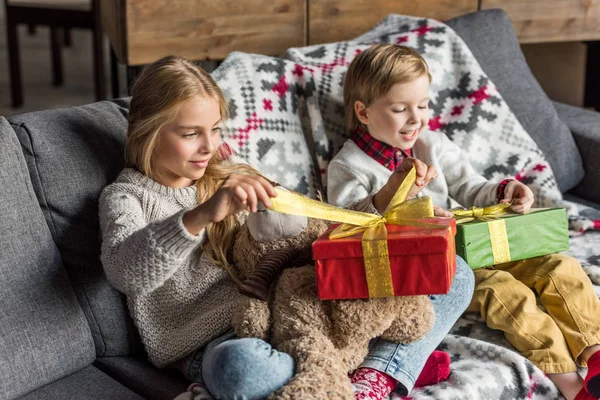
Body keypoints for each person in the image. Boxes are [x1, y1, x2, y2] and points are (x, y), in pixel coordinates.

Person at [99, 55, 457, 400]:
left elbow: (316, 221)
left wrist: (390, 190)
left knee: (457, 276)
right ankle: (360, 368)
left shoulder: (228, 171)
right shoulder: (126, 197)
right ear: (148, 131)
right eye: (192, 133)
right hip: (220, 342)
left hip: (293, 312)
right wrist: (203, 214)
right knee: (239, 367)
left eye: (215, 130)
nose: (210, 146)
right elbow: (125, 271)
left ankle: (370, 379)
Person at [328, 43, 600, 400]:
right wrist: (395, 194)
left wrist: (504, 190)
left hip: (476, 241)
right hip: (441, 268)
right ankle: (571, 384)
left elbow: (470, 186)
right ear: (363, 112)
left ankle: (595, 355)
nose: (416, 119)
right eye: (399, 109)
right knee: (505, 292)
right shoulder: (348, 166)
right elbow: (348, 224)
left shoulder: (432, 143)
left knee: (558, 265)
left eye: (423, 106)